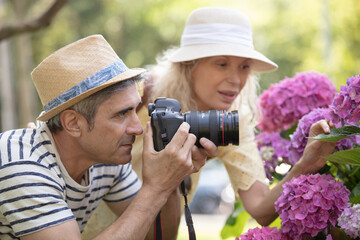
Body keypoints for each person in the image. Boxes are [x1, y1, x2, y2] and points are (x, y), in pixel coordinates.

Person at [83, 6, 338, 237]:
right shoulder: (140, 95)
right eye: (222, 64)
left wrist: (307, 162)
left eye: (244, 67)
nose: (235, 80)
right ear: (189, 65)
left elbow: (261, 208)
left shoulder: (229, 123)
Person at [0, 34, 218, 240]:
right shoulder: (24, 165)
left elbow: (157, 234)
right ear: (73, 123)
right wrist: (155, 188)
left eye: (135, 110)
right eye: (122, 114)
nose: (138, 128)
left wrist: (171, 180)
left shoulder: (103, 159)